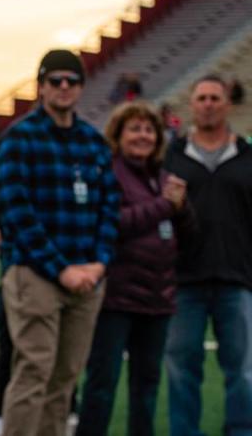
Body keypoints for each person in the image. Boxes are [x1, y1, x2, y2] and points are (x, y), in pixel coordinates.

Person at [0, 49, 120, 436]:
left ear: (81, 86)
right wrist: (61, 268)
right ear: (41, 87)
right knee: (34, 372)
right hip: (37, 274)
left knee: (65, 379)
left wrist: (98, 264)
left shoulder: (94, 142)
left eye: (72, 80)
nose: (64, 87)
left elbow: (109, 208)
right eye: (55, 80)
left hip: (86, 277)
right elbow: (16, 213)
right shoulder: (19, 138)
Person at [76, 101, 193, 436]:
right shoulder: (108, 172)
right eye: (135, 129)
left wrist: (182, 209)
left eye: (149, 129)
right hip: (116, 299)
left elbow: (189, 235)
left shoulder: (165, 177)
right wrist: (164, 206)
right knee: (102, 385)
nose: (143, 136)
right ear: (119, 134)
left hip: (158, 300)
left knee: (146, 390)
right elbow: (115, 223)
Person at [164, 74, 252, 436]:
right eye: (202, 98)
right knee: (182, 367)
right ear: (191, 105)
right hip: (184, 279)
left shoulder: (247, 155)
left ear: (228, 104)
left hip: (239, 277)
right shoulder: (172, 157)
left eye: (215, 97)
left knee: (243, 371)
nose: (209, 104)